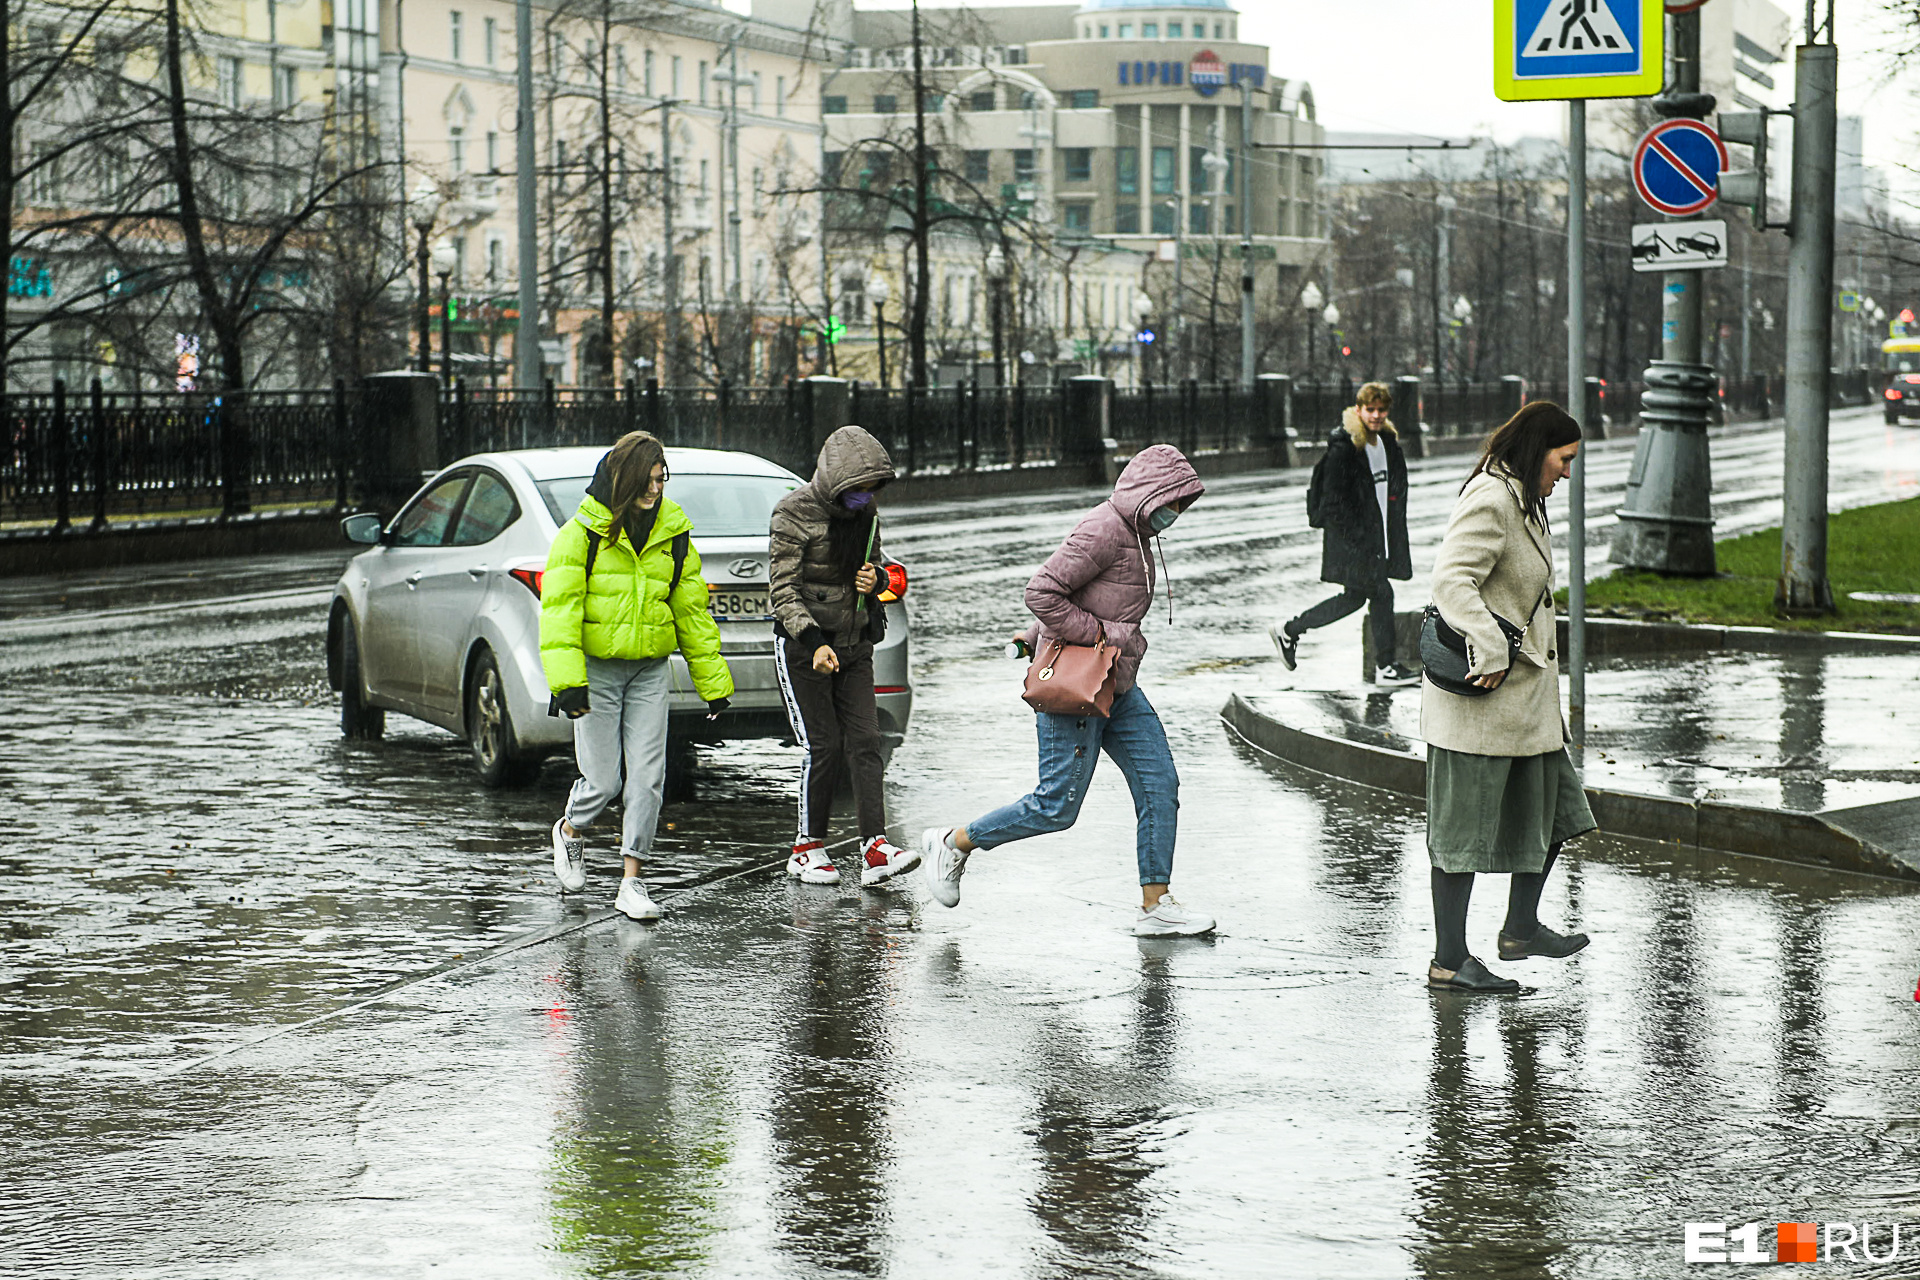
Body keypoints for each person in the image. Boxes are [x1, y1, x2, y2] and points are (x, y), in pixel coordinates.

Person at [920, 444, 1215, 938]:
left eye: (1183, 505)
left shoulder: (1139, 534)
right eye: (1173, 502)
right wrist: (1106, 636)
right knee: (1056, 806)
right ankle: (954, 842)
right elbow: (1043, 591)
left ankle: (1156, 905)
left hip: (1117, 687)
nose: (1176, 514)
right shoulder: (1103, 529)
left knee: (1159, 785)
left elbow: (1077, 597)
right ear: (1149, 493)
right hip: (1077, 690)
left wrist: (1035, 636)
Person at [1421, 401, 1597, 992]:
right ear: (1536, 448)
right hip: (1480, 704)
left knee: (1557, 815)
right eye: (1564, 458)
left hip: (1524, 708)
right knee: (1460, 835)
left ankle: (1521, 926)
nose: (1567, 472)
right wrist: (1491, 649)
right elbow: (1451, 579)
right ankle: (1450, 960)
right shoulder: (1492, 500)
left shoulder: (1527, 501)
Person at [541, 431, 735, 922]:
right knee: (604, 781)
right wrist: (567, 683)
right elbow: (559, 614)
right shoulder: (580, 535)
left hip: (649, 669)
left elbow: (692, 613)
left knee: (648, 779)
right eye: (647, 481)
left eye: (660, 479)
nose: (655, 490)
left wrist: (714, 684)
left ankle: (632, 881)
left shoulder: (674, 534)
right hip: (597, 671)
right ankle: (570, 832)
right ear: (622, 481)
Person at [769, 425, 919, 888]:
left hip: (856, 644)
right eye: (858, 489)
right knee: (824, 744)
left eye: (872, 490)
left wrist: (877, 582)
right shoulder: (792, 513)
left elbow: (882, 568)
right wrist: (815, 645)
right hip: (805, 646)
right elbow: (782, 590)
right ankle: (806, 847)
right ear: (838, 482)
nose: (865, 498)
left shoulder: (867, 512)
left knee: (866, 741)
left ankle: (875, 846)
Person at [1270, 380, 1421, 687]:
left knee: (1354, 598)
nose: (1376, 416)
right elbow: (1333, 503)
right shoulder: (1346, 448)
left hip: (1378, 540)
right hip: (1356, 544)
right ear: (1359, 410)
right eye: (1370, 410)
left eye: (1381, 410)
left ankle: (1289, 630)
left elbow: (1393, 492)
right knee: (1382, 593)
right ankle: (1385, 667)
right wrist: (1359, 539)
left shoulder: (1387, 444)